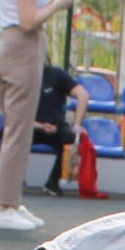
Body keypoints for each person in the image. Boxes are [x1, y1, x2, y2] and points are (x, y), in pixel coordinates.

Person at [0, 0, 79, 232]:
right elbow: (28, 20)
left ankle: (10, 201)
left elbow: (28, 5)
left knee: (20, 128)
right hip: (21, 48)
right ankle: (2, 205)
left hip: (13, 49)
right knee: (17, 130)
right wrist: (58, 5)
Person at [35, 62, 89, 197]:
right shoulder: (23, 75)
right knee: (6, 134)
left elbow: (83, 94)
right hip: (30, 126)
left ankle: (53, 182)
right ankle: (13, 181)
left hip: (55, 127)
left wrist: (77, 124)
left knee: (70, 137)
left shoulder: (57, 74)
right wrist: (39, 126)